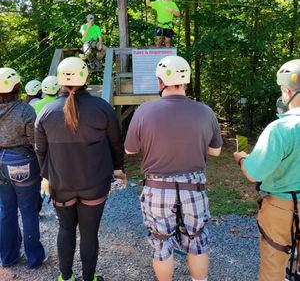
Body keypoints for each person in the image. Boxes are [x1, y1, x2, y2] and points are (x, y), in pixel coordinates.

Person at [124, 55, 222, 281]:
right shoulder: (205, 111)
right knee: (197, 239)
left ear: (160, 82)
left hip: (157, 188)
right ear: (185, 81)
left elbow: (130, 150)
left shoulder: (144, 111)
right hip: (194, 187)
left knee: (160, 242)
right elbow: (215, 151)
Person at [34, 57, 125, 281]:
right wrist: (118, 169)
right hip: (94, 184)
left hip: (61, 184)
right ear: (86, 78)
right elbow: (116, 144)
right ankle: (89, 278)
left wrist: (46, 176)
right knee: (89, 232)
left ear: (60, 81)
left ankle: (65, 278)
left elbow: (40, 150)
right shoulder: (102, 108)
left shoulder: (46, 112)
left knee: (65, 229)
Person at [234, 59, 300, 281]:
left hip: (282, 207)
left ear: (286, 91)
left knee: (274, 263)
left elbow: (254, 173)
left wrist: (242, 158)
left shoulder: (280, 128)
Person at [0, 67, 46, 268]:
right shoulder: (25, 110)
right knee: (28, 211)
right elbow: (35, 142)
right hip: (22, 162)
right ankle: (34, 258)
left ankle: (8, 257)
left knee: (6, 211)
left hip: (0, 163)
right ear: (17, 86)